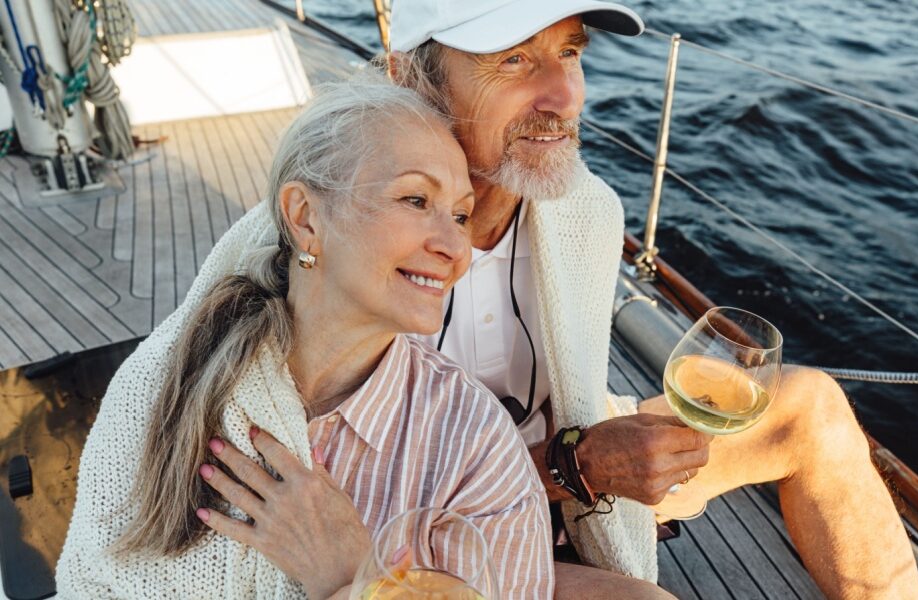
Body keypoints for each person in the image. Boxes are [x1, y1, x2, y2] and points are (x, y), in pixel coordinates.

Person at [383, 1, 918, 599]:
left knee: (809, 407)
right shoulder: (345, 239)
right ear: (409, 79)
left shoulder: (583, 212)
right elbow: (358, 499)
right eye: (513, 59)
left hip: (564, 470)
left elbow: (574, 399)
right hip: (436, 531)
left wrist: (594, 454)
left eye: (570, 52)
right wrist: (576, 466)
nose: (565, 97)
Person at [55, 79, 554, 599]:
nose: (456, 247)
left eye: (460, 216)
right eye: (415, 199)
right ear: (305, 217)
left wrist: (353, 577)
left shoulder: (474, 446)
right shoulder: (167, 377)